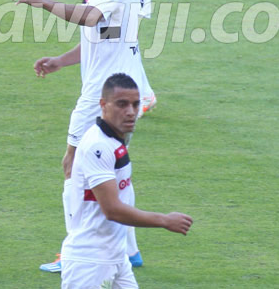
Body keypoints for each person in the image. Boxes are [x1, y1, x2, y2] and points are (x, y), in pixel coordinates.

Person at [13, 0, 149, 273]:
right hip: (118, 90)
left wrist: (43, 2)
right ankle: (129, 251)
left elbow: (90, 19)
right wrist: (62, 60)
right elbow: (104, 34)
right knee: (115, 166)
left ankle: (74, 251)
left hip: (105, 96)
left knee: (73, 165)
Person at [61, 73, 192, 289]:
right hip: (91, 262)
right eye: (122, 104)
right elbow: (112, 209)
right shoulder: (98, 146)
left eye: (135, 104)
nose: (131, 112)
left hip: (116, 255)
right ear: (103, 105)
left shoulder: (114, 138)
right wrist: (164, 220)